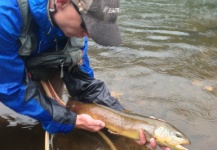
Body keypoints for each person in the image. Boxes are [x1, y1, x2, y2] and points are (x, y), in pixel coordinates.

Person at [0, 0, 170, 149]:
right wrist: (70, 120)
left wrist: (134, 120)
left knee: (52, 114)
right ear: (61, 2)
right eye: (87, 26)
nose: (89, 35)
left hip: (33, 63)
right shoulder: (5, 14)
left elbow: (85, 86)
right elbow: (10, 87)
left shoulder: (75, 33)